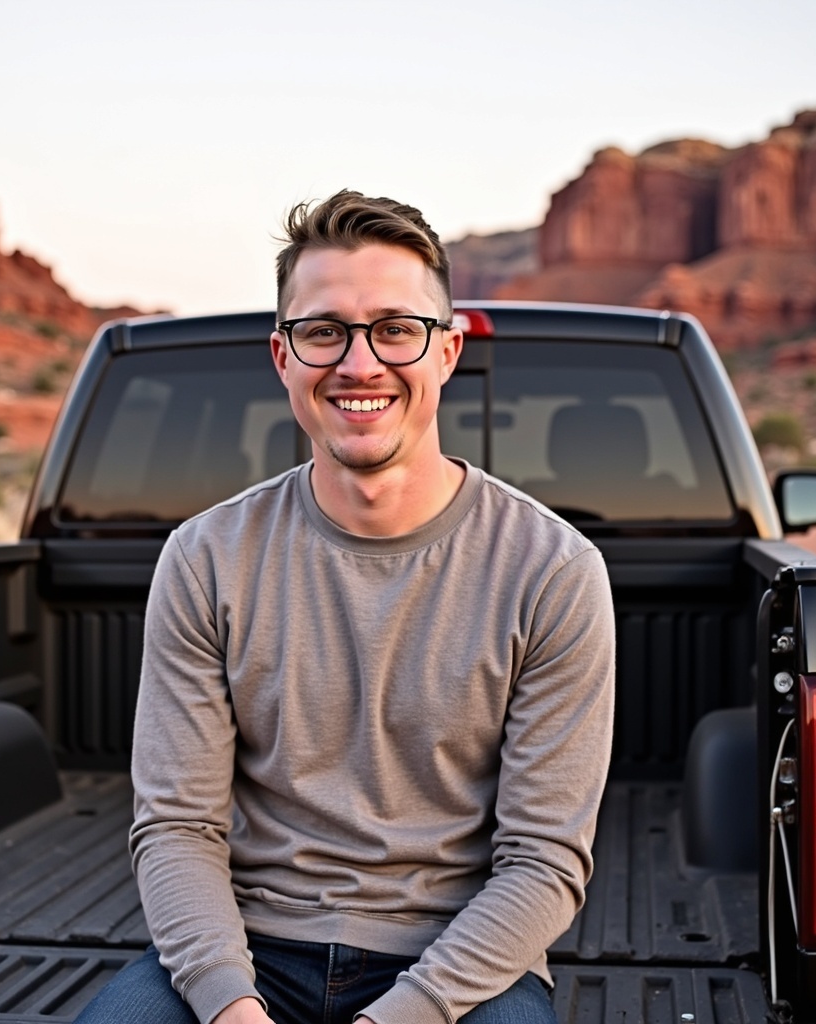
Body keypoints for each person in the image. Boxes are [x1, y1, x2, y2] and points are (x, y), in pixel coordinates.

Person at [74, 190, 615, 1024]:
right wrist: (229, 1004)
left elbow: (542, 863)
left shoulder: (552, 570)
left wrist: (403, 1014)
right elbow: (177, 826)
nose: (359, 364)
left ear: (448, 350)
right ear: (282, 355)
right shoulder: (206, 557)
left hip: (461, 962)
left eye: (396, 328)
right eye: (324, 330)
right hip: (247, 947)